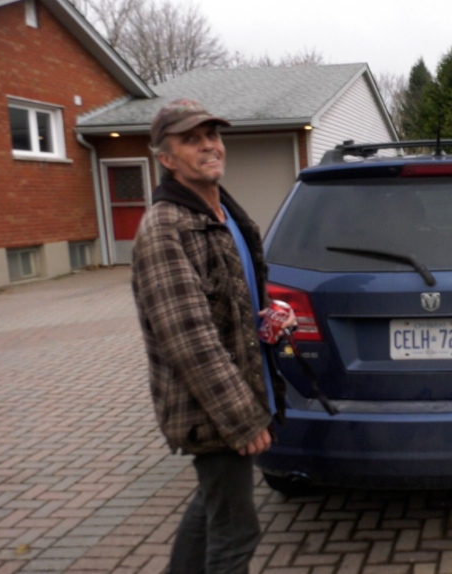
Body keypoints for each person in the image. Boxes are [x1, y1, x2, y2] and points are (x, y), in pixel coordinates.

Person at [131, 98, 293, 571]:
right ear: (165, 159)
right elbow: (189, 339)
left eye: (212, 135)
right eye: (191, 139)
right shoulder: (166, 229)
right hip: (212, 410)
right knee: (237, 531)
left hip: (240, 391)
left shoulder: (225, 217)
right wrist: (243, 419)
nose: (208, 146)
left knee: (212, 503)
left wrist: (268, 317)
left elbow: (232, 303)